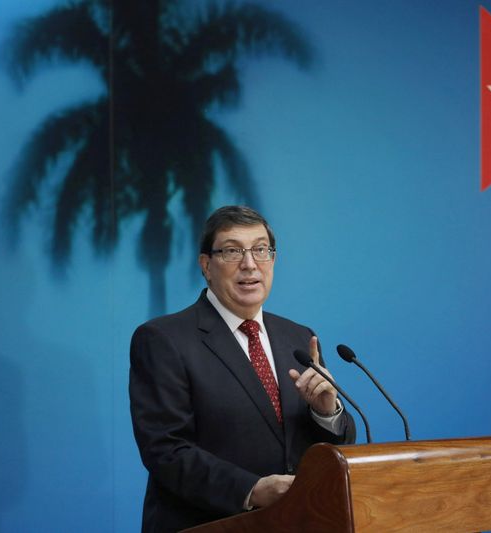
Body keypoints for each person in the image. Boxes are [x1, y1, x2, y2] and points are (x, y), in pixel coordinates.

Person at [129, 205, 356, 532]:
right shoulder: (164, 339)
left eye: (261, 250)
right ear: (206, 265)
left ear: (273, 261)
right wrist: (252, 489)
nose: (250, 264)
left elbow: (332, 451)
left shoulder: (299, 338)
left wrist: (326, 412)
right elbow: (166, 450)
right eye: (233, 251)